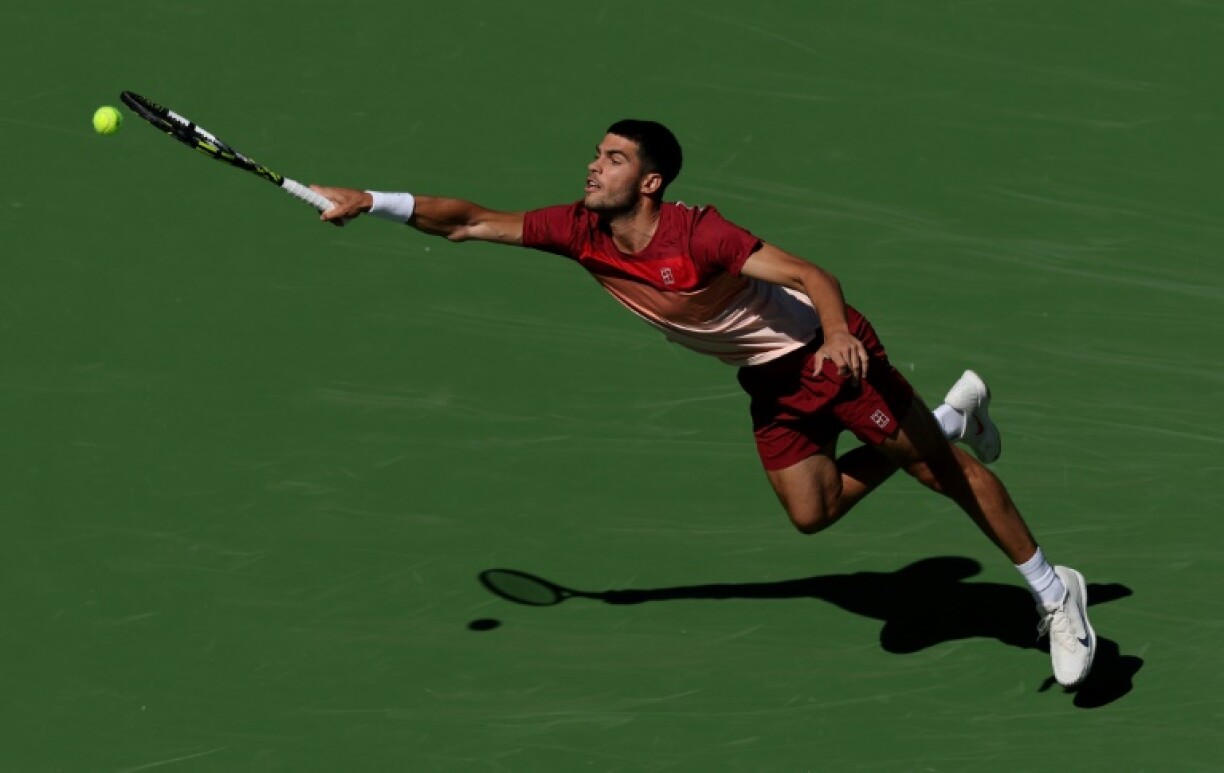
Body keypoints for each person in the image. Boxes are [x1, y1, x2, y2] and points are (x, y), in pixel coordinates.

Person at [311, 120, 1096, 687]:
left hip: (829, 360)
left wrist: (834, 334)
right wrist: (371, 198)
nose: (593, 166)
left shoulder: (702, 237)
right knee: (812, 513)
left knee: (944, 477)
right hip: (768, 383)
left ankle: (1057, 594)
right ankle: (949, 418)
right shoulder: (578, 230)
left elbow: (812, 273)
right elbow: (472, 218)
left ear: (649, 182)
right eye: (595, 154)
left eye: (612, 159)